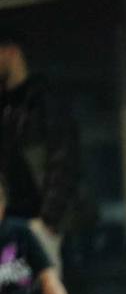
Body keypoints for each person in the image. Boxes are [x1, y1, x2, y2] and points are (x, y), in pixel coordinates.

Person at [0, 28, 79, 277]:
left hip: (38, 220)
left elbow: (63, 161)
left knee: (44, 290)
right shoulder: (6, 106)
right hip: (10, 220)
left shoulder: (45, 101)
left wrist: (49, 220)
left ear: (11, 52)